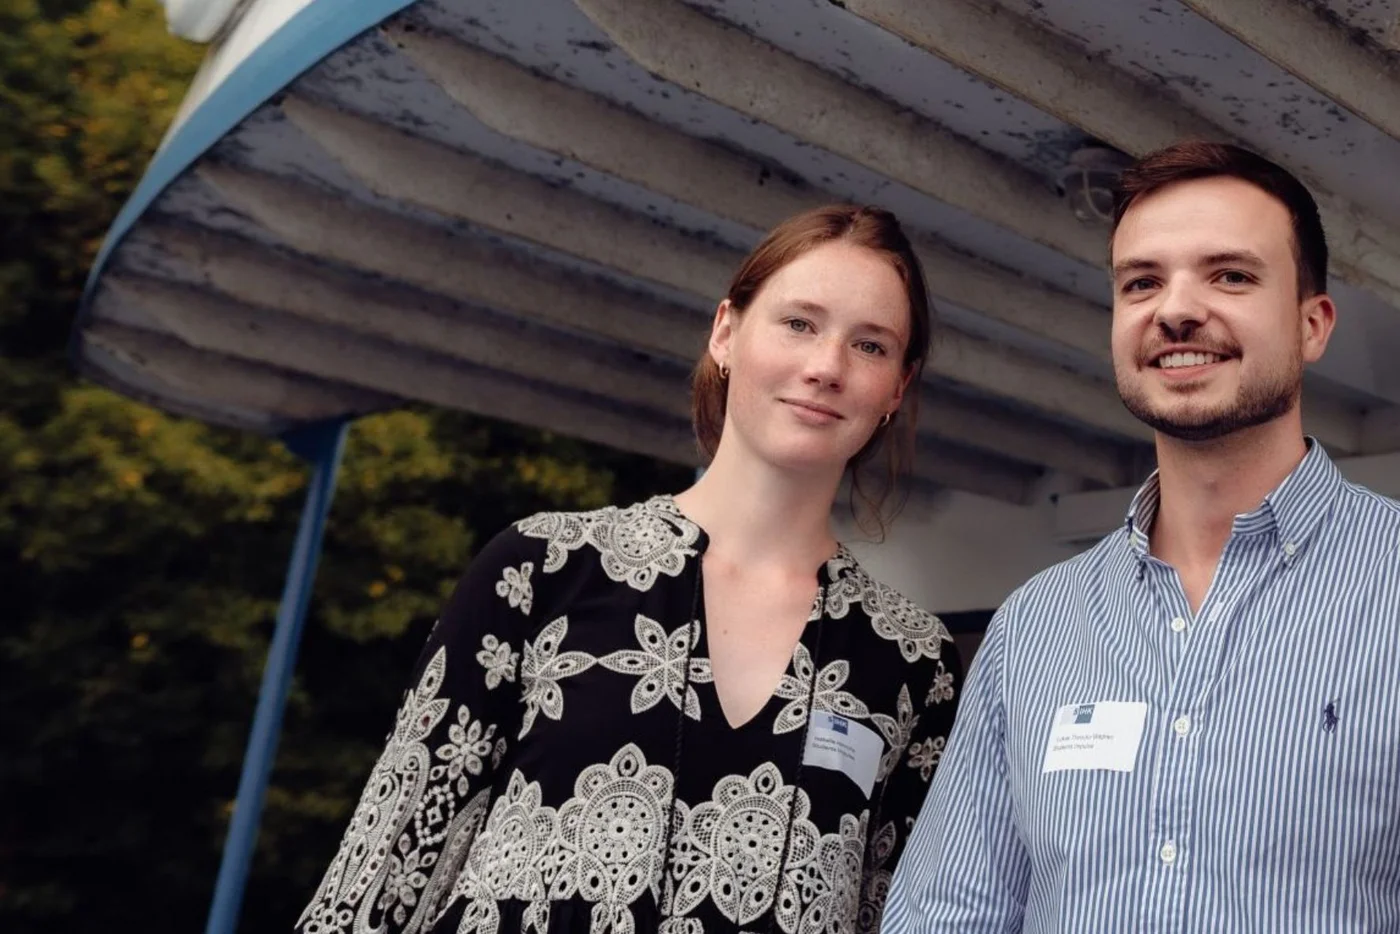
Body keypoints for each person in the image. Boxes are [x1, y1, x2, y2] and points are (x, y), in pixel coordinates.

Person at [296, 205, 964, 934]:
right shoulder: (542, 570)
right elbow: (380, 878)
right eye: (799, 323)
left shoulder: (913, 659)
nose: (826, 367)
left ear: (897, 387)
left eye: (869, 345)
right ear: (726, 332)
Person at [883, 141, 1400, 932]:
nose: (1176, 310)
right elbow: (949, 913)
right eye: (1142, 282)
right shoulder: (1034, 628)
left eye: (1230, 275)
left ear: (1312, 325)